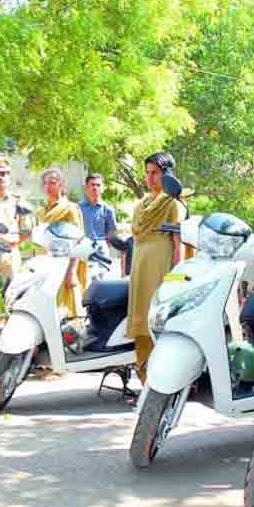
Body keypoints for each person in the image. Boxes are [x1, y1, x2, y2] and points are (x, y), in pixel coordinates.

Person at [126, 152, 184, 383]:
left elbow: (178, 244)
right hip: (140, 267)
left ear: (167, 174)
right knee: (140, 321)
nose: (150, 178)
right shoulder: (141, 204)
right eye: (147, 173)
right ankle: (144, 377)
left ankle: (163, 381)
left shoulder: (173, 203)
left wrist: (176, 276)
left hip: (161, 268)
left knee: (157, 321)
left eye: (155, 173)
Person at [36, 169, 87, 318]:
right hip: (44, 266)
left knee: (66, 313)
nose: (48, 186)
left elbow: (78, 240)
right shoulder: (40, 210)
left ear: (61, 185)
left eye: (52, 182)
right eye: (45, 183)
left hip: (63, 266)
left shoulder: (70, 209)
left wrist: (71, 272)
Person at [79, 173, 117, 265]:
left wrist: (103, 244)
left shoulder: (108, 209)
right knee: (82, 278)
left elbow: (112, 230)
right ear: (86, 187)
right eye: (92, 185)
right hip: (83, 248)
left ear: (102, 188)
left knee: (101, 277)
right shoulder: (78, 208)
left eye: (98, 185)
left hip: (101, 249)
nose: (95, 187)